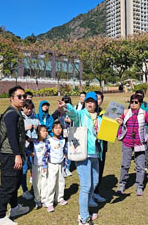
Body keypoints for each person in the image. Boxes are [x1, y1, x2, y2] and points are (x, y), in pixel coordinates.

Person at [58, 92, 102, 225]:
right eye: (87, 101)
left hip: (95, 153)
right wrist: (67, 107)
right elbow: (73, 115)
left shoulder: (100, 118)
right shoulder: (81, 114)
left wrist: (117, 123)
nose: (90, 103)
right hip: (83, 153)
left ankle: (85, 208)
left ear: (96, 103)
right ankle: (83, 218)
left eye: (92, 101)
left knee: (94, 183)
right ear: (84, 103)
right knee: (86, 185)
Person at [0, 86, 29, 225]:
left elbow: (19, 134)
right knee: (7, 186)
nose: (23, 99)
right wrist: (17, 155)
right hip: (9, 154)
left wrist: (28, 138)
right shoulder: (12, 114)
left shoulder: (16, 112)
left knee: (15, 183)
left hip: (14, 153)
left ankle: (14, 207)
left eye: (24, 96)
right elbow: (12, 136)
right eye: (19, 96)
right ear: (11, 98)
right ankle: (1, 217)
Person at [116, 94, 148, 196]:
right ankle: (121, 185)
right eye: (131, 102)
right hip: (127, 142)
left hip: (139, 143)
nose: (133, 104)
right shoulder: (125, 112)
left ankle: (139, 186)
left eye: (136, 102)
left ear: (140, 103)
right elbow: (120, 124)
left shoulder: (144, 113)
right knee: (125, 165)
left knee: (140, 166)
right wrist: (119, 131)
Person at [44, 121, 68, 212]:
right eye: (56, 128)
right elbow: (45, 154)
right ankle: (49, 202)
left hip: (61, 164)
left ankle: (60, 198)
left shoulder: (63, 140)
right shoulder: (49, 141)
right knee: (52, 183)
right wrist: (45, 165)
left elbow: (64, 152)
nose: (58, 130)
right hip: (52, 164)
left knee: (61, 181)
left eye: (60, 128)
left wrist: (65, 164)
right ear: (52, 130)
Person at [21, 100, 40, 200]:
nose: (29, 110)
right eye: (27, 108)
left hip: (34, 145)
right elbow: (17, 132)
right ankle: (24, 190)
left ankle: (37, 186)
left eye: (30, 109)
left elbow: (40, 130)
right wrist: (26, 129)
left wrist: (37, 128)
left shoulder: (35, 118)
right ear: (23, 108)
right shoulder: (20, 118)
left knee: (35, 165)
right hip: (24, 146)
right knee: (24, 168)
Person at [26, 125, 48, 209]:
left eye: (46, 131)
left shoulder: (47, 142)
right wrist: (30, 153)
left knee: (45, 182)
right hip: (35, 166)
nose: (45, 133)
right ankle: (37, 199)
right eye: (43, 131)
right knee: (36, 183)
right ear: (38, 133)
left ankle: (44, 199)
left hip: (45, 166)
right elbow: (27, 150)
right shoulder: (33, 142)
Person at [93, 91, 107, 203]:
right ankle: (89, 193)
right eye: (95, 98)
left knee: (99, 168)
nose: (97, 101)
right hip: (90, 147)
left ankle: (96, 191)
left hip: (101, 146)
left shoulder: (105, 113)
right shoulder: (86, 113)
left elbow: (109, 132)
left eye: (99, 99)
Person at [135, 90, 148, 173]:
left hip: (145, 128)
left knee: (147, 147)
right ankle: (138, 165)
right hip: (135, 128)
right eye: (137, 95)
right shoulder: (133, 104)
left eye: (140, 96)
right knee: (137, 147)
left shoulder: (146, 105)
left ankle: (147, 165)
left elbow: (146, 115)